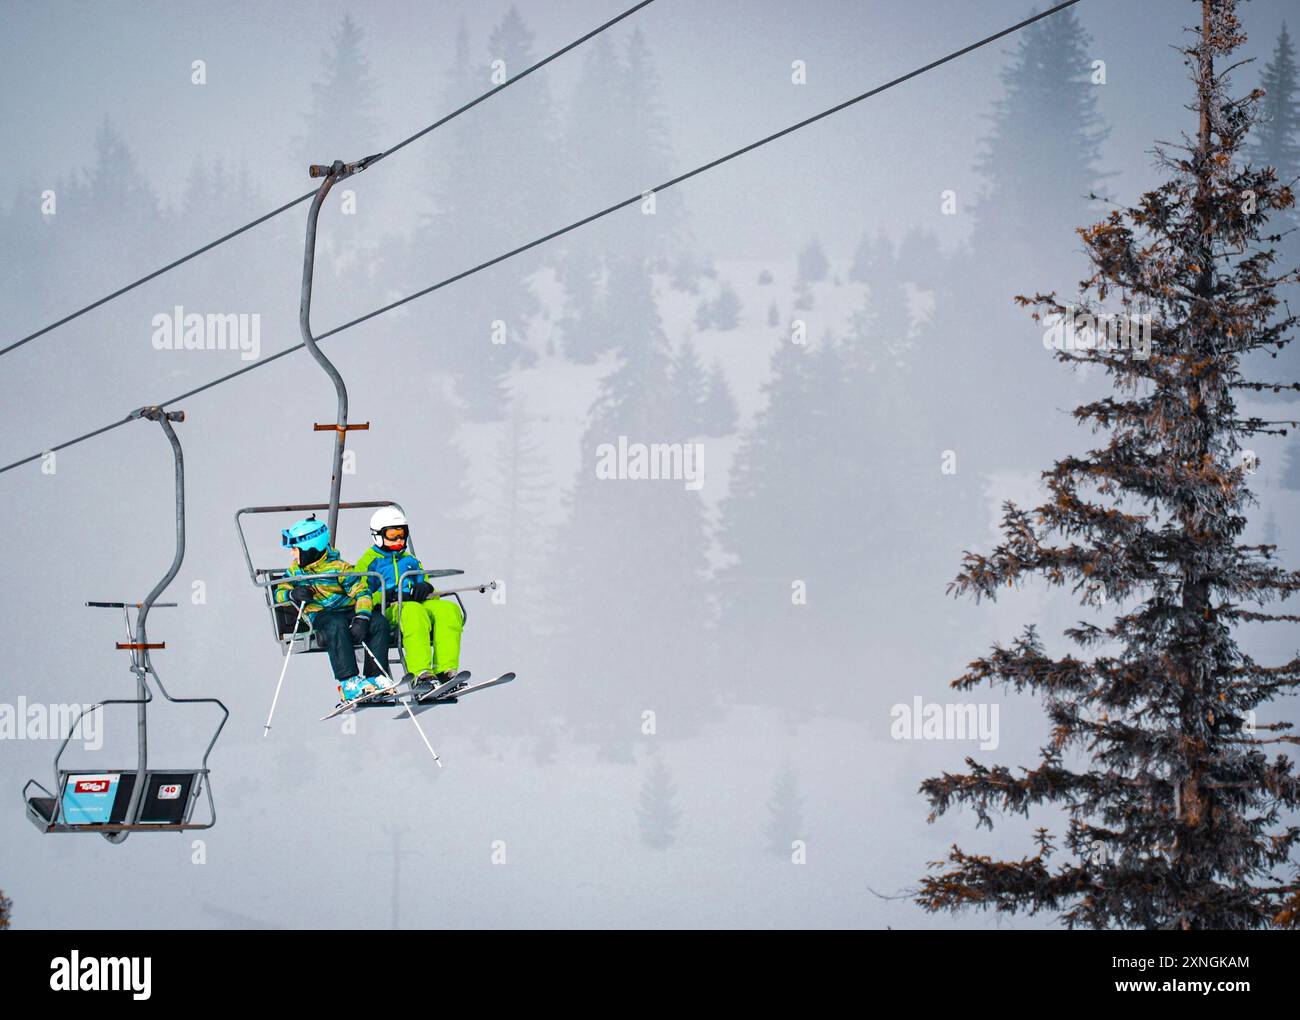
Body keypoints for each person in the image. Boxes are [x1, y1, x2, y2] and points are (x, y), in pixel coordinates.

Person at [275, 515, 391, 704]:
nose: (292, 554)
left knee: (378, 622)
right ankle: (349, 682)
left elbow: (362, 592)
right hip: (320, 615)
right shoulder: (296, 572)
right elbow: (279, 592)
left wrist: (362, 618)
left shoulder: (339, 568)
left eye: (295, 549)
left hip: (347, 611)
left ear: (310, 549)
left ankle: (375, 677)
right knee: (335, 625)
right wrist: (292, 594)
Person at [355, 507, 464, 688]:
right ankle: (421, 673)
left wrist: (425, 587)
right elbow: (359, 593)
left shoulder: (411, 560)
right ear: (378, 535)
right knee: (414, 611)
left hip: (416, 605)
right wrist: (384, 595)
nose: (399, 539)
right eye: (392, 535)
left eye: (402, 534)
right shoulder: (369, 562)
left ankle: (445, 670)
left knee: (448, 609)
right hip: (388, 609)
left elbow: (427, 587)